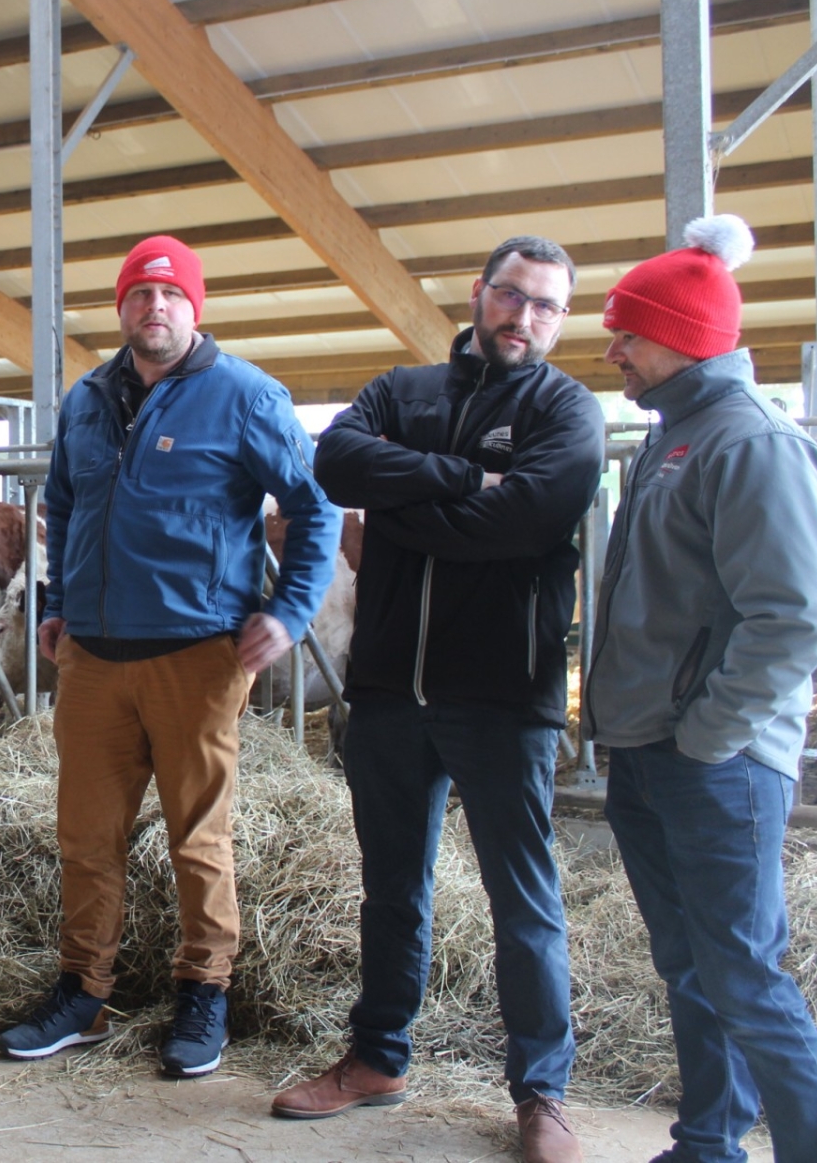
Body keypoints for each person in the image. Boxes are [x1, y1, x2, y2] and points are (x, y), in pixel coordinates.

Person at [277, 236, 604, 1163]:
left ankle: (542, 1091)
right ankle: (377, 1057)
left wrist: (405, 513)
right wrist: (463, 481)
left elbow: (530, 519)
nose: (524, 317)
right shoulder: (402, 391)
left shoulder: (566, 410)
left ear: (561, 319)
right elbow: (335, 463)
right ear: (479, 293)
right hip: (386, 688)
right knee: (392, 889)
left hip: (502, 693)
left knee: (522, 899)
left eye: (546, 306)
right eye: (511, 295)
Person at [0, 235, 341, 1078]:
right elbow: (66, 510)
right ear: (120, 308)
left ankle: (204, 992)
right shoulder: (84, 400)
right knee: (86, 833)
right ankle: (84, 991)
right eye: (140, 295)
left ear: (196, 307)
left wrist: (290, 611)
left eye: (171, 295)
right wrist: (55, 606)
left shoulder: (245, 396)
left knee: (198, 837)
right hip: (94, 660)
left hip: (197, 654)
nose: (155, 308)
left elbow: (314, 508)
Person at [584, 216, 817, 1163]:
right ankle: (709, 1143)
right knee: (692, 966)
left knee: (745, 973)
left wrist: (709, 733)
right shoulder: (675, 436)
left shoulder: (751, 445)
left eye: (628, 330)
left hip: (717, 761)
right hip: (653, 749)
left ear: (682, 335)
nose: (611, 346)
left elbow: (795, 617)